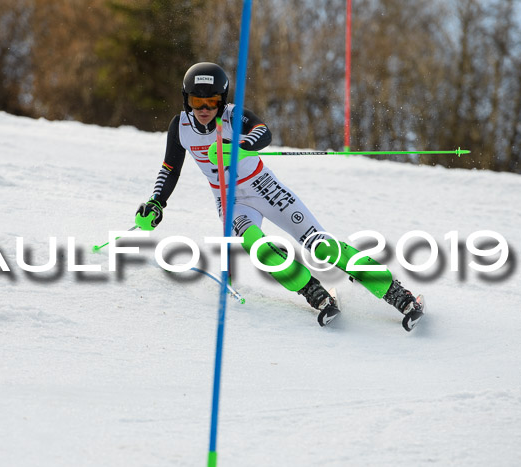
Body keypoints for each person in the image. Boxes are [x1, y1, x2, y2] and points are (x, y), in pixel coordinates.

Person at [135, 62, 424, 331]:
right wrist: (156, 202)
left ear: (222, 100)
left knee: (320, 246)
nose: (204, 108)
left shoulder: (232, 115)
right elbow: (170, 168)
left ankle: (398, 294)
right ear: (186, 100)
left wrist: (239, 145)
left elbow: (263, 132)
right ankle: (314, 293)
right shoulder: (180, 127)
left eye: (211, 101)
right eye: (197, 102)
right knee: (256, 246)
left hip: (264, 188)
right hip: (230, 200)